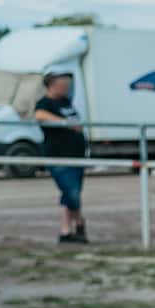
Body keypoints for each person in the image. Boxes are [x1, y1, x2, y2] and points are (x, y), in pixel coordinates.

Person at [33, 71, 87, 244]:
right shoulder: (45, 103)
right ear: (52, 85)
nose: (66, 89)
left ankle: (67, 230)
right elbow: (39, 115)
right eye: (63, 85)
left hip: (77, 155)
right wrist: (66, 123)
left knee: (71, 193)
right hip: (58, 156)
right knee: (71, 191)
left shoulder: (66, 102)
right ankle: (78, 223)